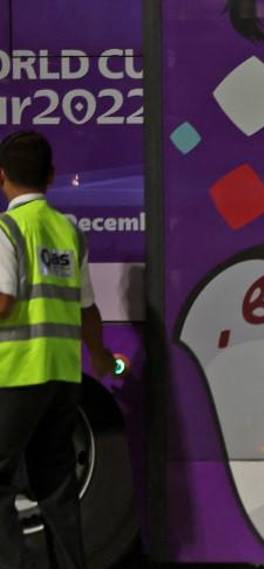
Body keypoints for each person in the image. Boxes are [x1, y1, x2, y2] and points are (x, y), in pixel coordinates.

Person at [0, 130, 116, 567]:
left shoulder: (7, 229)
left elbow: (3, 300)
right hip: (63, 377)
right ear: (51, 175)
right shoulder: (69, 230)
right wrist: (101, 357)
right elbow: (88, 308)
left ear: (1, 176)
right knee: (56, 484)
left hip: (14, 375)